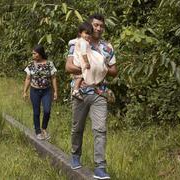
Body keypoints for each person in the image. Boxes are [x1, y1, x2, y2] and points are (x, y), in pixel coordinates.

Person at [65, 14, 118, 180]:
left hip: (100, 92)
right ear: (90, 25)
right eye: (96, 25)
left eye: (101, 26)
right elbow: (68, 66)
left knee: (100, 129)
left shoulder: (107, 48)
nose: (99, 28)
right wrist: (88, 68)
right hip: (80, 92)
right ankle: (75, 155)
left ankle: (100, 167)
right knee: (77, 127)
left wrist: (101, 67)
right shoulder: (76, 43)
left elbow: (114, 70)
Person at [23, 44, 58, 140]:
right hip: (34, 91)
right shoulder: (31, 64)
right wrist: (25, 91)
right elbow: (28, 78)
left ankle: (44, 129)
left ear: (40, 54)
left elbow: (53, 78)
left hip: (46, 91)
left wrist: (55, 92)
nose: (33, 55)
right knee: (36, 112)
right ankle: (38, 131)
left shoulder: (49, 64)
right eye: (32, 54)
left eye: (34, 53)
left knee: (47, 110)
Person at [72, 21, 108, 101]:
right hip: (82, 59)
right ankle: (76, 90)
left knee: (98, 62)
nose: (88, 35)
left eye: (89, 34)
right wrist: (87, 62)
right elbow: (84, 53)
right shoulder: (82, 42)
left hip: (86, 57)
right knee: (84, 73)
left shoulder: (83, 41)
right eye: (86, 33)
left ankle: (99, 78)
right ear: (80, 33)